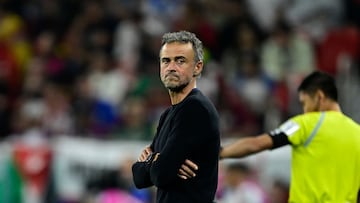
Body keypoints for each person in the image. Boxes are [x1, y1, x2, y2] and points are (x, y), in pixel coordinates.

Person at [179, 71, 360, 202]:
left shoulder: (308, 123)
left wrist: (220, 153)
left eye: (305, 103)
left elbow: (259, 143)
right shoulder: (357, 133)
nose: (305, 110)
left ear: (319, 97)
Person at [131, 30, 221, 203]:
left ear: (198, 67)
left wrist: (154, 160)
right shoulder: (168, 114)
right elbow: (139, 178)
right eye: (166, 60)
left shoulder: (195, 109)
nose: (171, 67)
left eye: (180, 61)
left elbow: (160, 174)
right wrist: (158, 160)